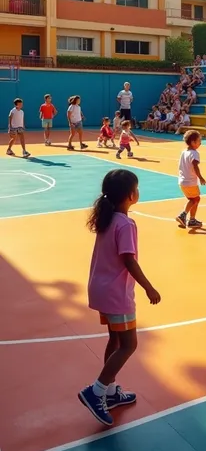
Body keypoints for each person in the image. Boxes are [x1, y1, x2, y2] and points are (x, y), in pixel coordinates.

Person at [78, 169, 160, 426]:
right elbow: (128, 259)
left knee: (114, 339)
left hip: (101, 288)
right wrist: (148, 287)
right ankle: (97, 391)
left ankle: (111, 392)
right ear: (130, 195)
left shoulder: (108, 219)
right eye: (136, 188)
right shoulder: (125, 224)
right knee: (129, 344)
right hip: (116, 294)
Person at [176, 130, 206, 228]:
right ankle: (183, 215)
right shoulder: (194, 153)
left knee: (193, 199)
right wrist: (201, 177)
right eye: (199, 140)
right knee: (195, 199)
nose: (200, 143)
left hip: (182, 181)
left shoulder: (184, 152)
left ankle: (192, 219)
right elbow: (195, 166)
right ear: (193, 142)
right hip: (190, 182)